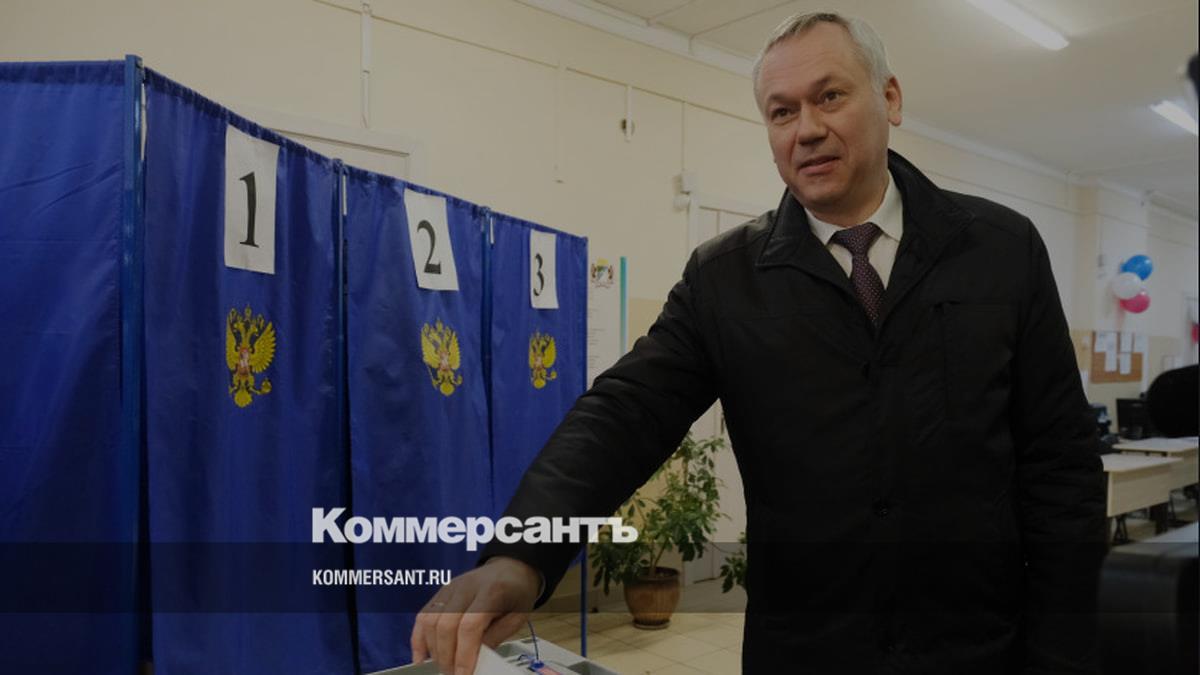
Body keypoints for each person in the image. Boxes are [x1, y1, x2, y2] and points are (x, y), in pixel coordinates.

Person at [411, 11, 1106, 674]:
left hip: (978, 647)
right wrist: (522, 553)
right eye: (781, 111)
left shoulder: (1000, 250)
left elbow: (1062, 468)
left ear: (890, 98)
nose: (807, 130)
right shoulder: (726, 279)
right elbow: (625, 414)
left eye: (829, 96)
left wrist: (1062, 656)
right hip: (807, 651)